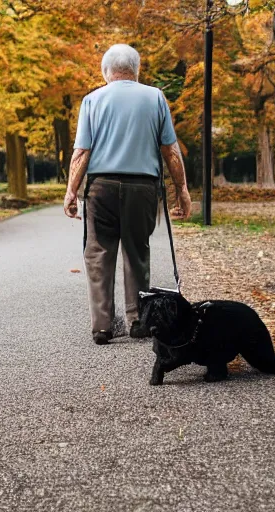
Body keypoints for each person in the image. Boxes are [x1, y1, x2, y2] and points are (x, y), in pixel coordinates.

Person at [64, 43, 192, 345]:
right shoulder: (155, 97)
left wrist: (71, 191)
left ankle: (102, 327)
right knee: (137, 251)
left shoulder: (92, 100)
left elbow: (82, 152)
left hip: (102, 188)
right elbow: (171, 151)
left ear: (105, 71)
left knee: (98, 254)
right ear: (136, 70)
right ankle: (137, 320)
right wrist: (181, 190)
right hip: (142, 188)